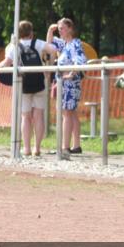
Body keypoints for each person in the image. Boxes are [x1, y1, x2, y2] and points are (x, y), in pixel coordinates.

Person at [0, 21, 58, 157]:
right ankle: (37, 148)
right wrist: (49, 68)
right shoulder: (37, 43)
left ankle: (26, 148)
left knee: (25, 116)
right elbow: (53, 50)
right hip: (39, 82)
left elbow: (6, 62)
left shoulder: (14, 46)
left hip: (23, 84)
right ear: (31, 32)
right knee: (39, 115)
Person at [46, 18, 87, 154]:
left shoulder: (75, 43)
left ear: (70, 28)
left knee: (66, 114)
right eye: (59, 29)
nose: (60, 31)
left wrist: (71, 74)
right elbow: (49, 44)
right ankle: (76, 146)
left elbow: (80, 61)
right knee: (71, 113)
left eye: (62, 28)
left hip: (70, 84)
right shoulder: (64, 44)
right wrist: (50, 30)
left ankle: (65, 147)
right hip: (64, 83)